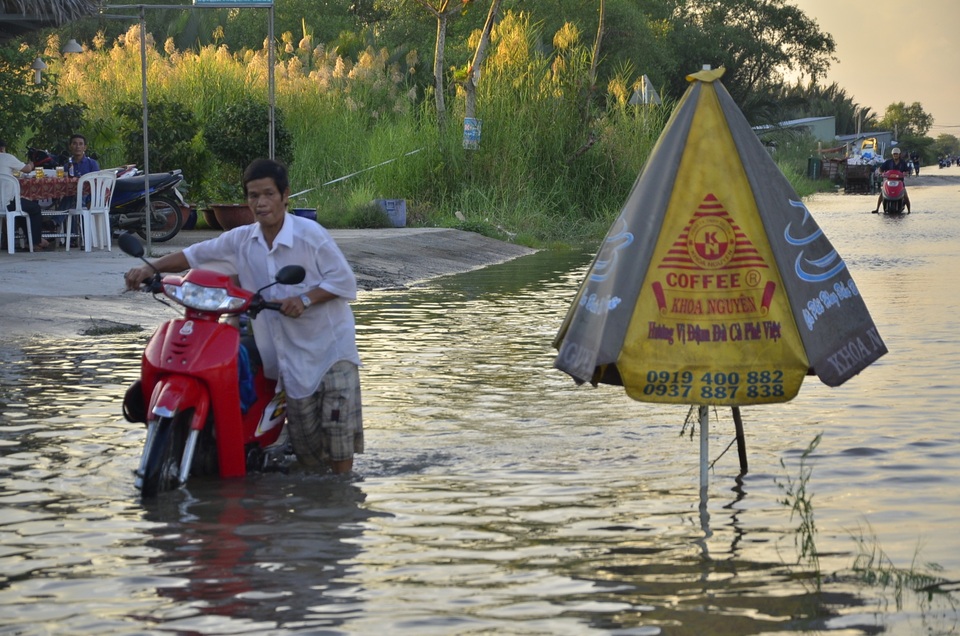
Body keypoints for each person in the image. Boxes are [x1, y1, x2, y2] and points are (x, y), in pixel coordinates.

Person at [123, 158, 363, 474]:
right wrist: (150, 268)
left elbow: (344, 281)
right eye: (253, 196)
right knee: (309, 454)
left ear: (285, 195)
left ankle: (342, 500)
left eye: (268, 194)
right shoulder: (241, 239)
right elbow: (194, 255)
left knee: (338, 440)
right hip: (285, 355)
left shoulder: (310, 236)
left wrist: (305, 298)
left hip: (330, 351)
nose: (261, 203)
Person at [0, 139, 50, 250]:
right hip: (7, 204)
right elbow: (27, 170)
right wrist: (31, 163)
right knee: (35, 208)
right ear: (2, 148)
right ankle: (35, 242)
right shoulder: (6, 157)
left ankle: (31, 239)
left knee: (23, 208)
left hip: (5, 204)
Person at [872, 147, 911, 213]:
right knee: (882, 194)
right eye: (894, 154)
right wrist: (882, 173)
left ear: (899, 154)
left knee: (905, 196)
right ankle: (877, 209)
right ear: (892, 155)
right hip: (888, 181)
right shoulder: (888, 162)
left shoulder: (903, 162)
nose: (895, 155)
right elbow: (880, 169)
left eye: (896, 154)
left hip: (900, 181)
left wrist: (905, 173)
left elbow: (907, 170)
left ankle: (909, 211)